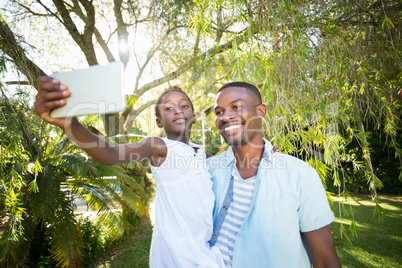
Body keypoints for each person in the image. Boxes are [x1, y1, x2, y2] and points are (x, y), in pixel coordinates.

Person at [34, 77, 225, 268]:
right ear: (159, 122)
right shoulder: (158, 147)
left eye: (184, 106)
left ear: (192, 114)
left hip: (205, 246)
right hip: (177, 251)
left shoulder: (202, 152)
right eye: (168, 108)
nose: (177, 110)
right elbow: (111, 153)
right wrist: (69, 123)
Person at [207, 81, 342, 268]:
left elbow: (326, 261)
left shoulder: (300, 175)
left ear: (261, 111)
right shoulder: (208, 171)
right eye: (219, 112)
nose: (225, 116)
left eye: (236, 107)